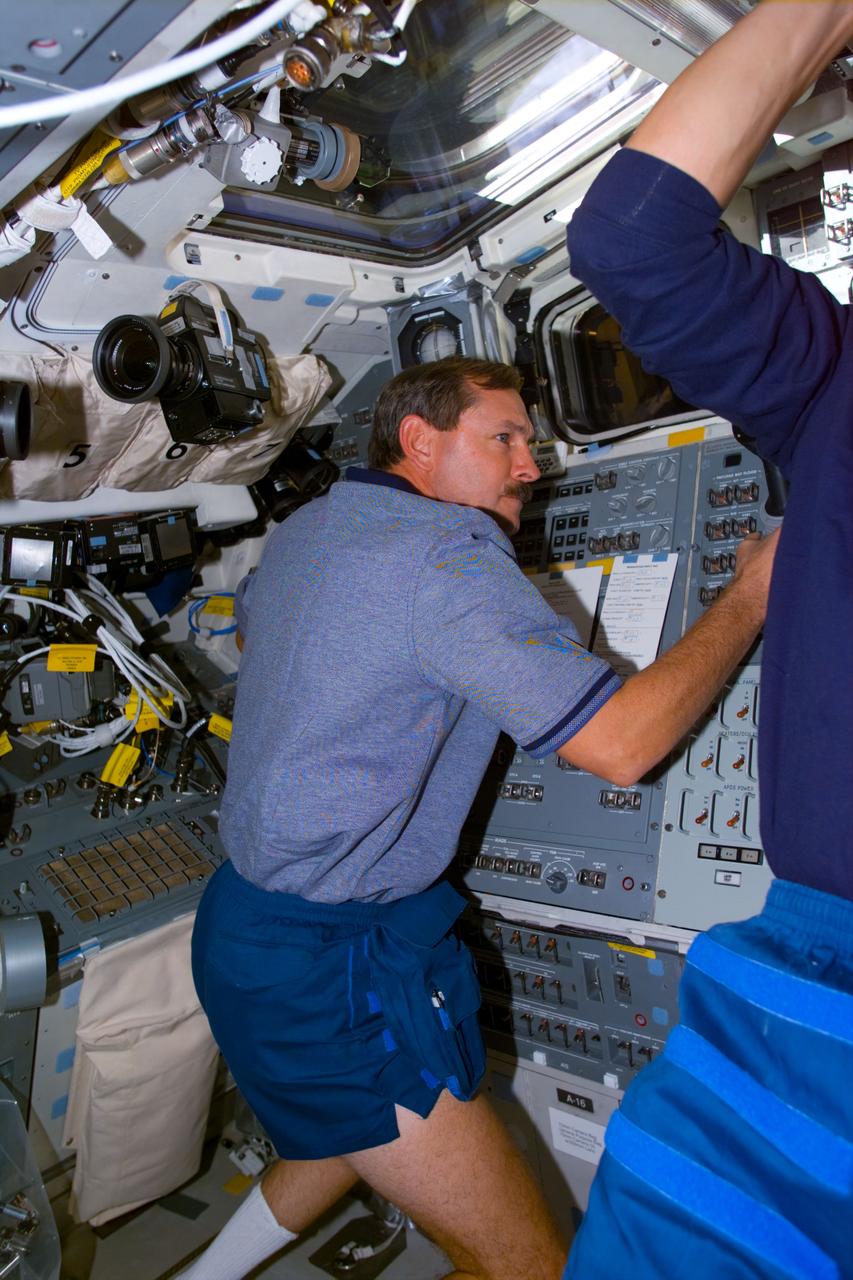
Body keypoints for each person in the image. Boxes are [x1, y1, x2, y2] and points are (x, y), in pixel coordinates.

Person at [182, 355, 776, 1280]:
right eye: (503, 438)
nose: (530, 467)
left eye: (530, 444)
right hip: (333, 970)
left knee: (346, 1134)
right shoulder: (447, 557)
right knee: (528, 1265)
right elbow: (620, 747)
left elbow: (262, 634)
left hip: (246, 929)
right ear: (417, 441)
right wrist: (750, 596)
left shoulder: (307, 530)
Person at [562, 3, 853, 1277]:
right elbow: (633, 237)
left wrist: (745, 599)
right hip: (794, 1016)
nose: (531, 466)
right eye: (508, 440)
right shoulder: (835, 383)